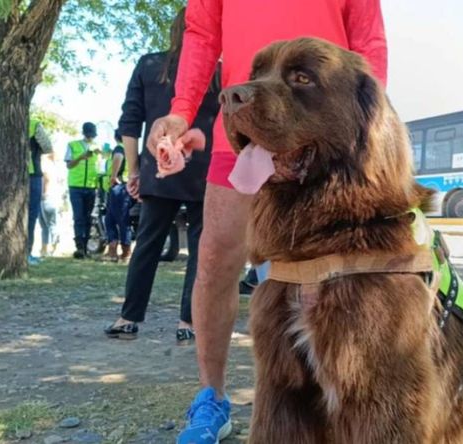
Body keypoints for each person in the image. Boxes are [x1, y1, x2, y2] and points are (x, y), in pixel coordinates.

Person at [147, 2, 387, 442]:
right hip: (240, 134)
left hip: (321, 132)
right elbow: (201, 34)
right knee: (216, 258)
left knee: (344, 270)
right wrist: (181, 110)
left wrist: (368, 126)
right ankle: (211, 398)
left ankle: (345, 398)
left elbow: (368, 39)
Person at [104, 7, 219, 347]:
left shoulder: (149, 65)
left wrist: (134, 171)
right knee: (200, 249)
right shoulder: (218, 72)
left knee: (148, 244)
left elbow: (131, 122)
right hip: (205, 168)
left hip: (161, 164)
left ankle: (128, 317)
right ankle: (189, 321)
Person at [0, 118, 53, 264]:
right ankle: (26, 254)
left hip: (10, 177)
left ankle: (6, 254)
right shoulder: (35, 124)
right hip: (32, 177)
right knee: (30, 217)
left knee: (8, 216)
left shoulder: (6, 122)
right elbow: (48, 147)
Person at [65, 122, 101, 259]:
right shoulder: (72, 145)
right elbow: (69, 165)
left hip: (91, 186)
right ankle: (79, 247)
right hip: (76, 186)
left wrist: (104, 153)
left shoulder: (97, 147)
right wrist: (81, 157)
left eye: (92, 135)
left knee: (88, 217)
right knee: (78, 216)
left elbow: (104, 162)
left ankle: (86, 248)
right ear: (84, 133)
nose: (90, 137)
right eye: (89, 135)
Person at [102, 130, 132, 262]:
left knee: (120, 220)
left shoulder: (119, 148)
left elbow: (118, 157)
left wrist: (113, 176)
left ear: (116, 137)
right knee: (110, 219)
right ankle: (113, 250)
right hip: (126, 187)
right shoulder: (131, 149)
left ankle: (124, 252)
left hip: (119, 187)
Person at [39, 152, 64, 257]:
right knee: (48, 224)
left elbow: (46, 178)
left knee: (48, 224)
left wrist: (43, 193)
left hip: (47, 197)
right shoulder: (57, 168)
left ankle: (53, 247)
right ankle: (45, 249)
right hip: (55, 198)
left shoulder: (45, 165)